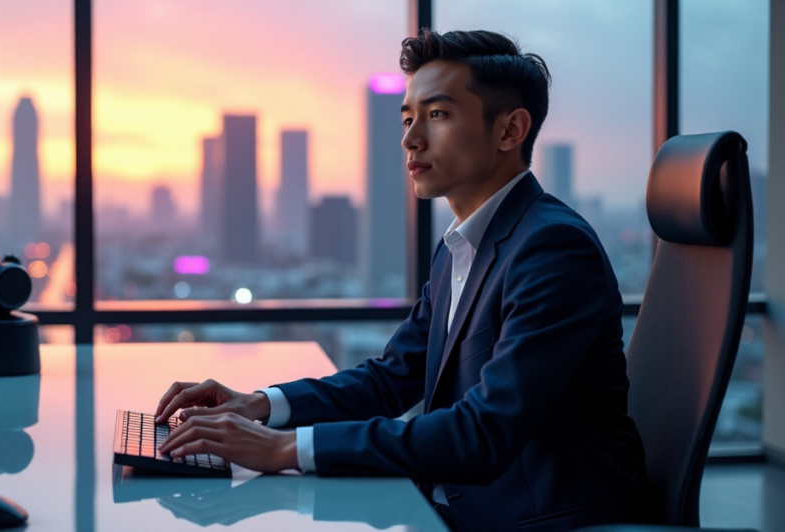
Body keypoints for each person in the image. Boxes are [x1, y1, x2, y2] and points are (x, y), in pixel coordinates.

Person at [155, 29, 650, 532]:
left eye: (437, 115)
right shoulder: (461, 246)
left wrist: (286, 447)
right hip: (449, 506)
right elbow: (392, 377)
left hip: (536, 521)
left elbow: (484, 433)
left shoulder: (553, 249)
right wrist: (260, 405)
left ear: (510, 131)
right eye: (408, 118)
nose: (410, 139)